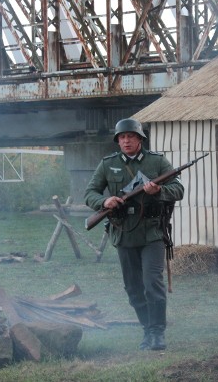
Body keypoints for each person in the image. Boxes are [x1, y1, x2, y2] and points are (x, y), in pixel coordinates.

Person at [84, 118, 184, 351]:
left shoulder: (157, 162)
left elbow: (178, 189)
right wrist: (104, 200)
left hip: (152, 232)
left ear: (140, 139)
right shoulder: (108, 164)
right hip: (124, 232)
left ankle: (158, 332)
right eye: (122, 137)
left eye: (131, 136)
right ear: (118, 141)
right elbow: (90, 192)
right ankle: (147, 330)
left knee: (152, 283)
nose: (126, 140)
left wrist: (159, 190)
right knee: (133, 288)